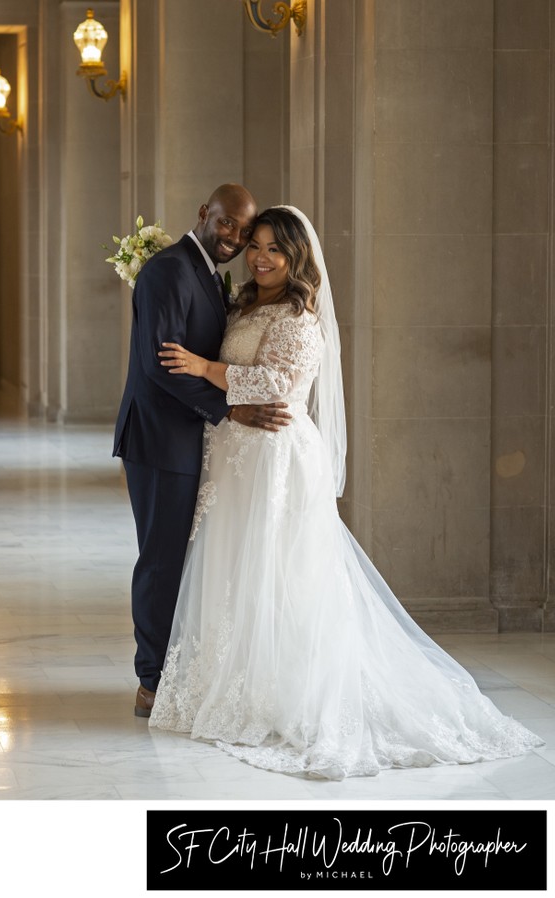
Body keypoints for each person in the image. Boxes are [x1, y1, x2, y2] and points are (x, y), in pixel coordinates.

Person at [148, 205, 543, 779]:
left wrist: (207, 370)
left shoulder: (300, 315)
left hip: (276, 454)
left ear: (296, 258)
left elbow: (281, 384)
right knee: (235, 565)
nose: (259, 258)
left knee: (281, 570)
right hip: (236, 453)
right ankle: (231, 682)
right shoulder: (248, 302)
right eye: (255, 246)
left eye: (274, 250)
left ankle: (286, 691)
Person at [113, 185, 292, 719]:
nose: (234, 239)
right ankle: (151, 683)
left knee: (184, 561)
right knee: (162, 561)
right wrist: (232, 410)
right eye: (227, 225)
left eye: (244, 232)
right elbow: (161, 365)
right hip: (160, 440)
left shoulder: (212, 275)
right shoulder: (168, 270)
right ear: (204, 214)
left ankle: (178, 673)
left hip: (188, 439)